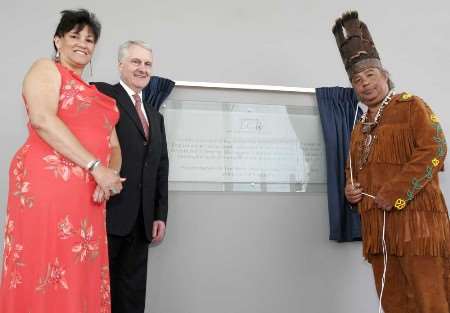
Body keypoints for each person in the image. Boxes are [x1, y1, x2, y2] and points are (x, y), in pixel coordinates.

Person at [0, 9, 124, 313]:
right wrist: (96, 168)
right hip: (48, 185)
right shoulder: (46, 69)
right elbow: (42, 119)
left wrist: (108, 179)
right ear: (58, 41)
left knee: (79, 266)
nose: (83, 43)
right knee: (45, 260)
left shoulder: (100, 96)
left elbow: (114, 146)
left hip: (90, 195)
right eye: (74, 36)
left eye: (90, 39)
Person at [333, 11, 450, 313]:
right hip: (379, 233)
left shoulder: (411, 106)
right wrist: (350, 192)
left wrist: (395, 192)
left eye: (370, 75)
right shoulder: (359, 126)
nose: (365, 84)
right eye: (357, 80)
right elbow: (352, 170)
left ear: (385, 75)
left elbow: (435, 149)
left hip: (418, 229)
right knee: (393, 303)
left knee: (430, 302)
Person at [93, 40, 169, 313]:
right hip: (106, 214)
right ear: (120, 65)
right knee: (100, 292)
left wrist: (160, 213)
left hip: (142, 221)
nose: (143, 68)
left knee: (133, 296)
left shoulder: (155, 116)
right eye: (136, 62)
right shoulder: (102, 95)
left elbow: (161, 166)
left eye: (147, 64)